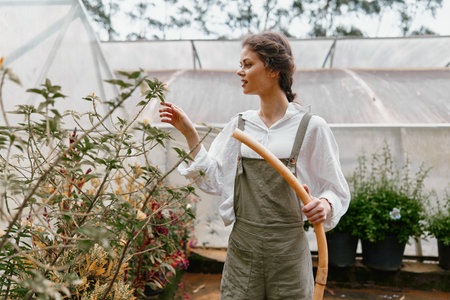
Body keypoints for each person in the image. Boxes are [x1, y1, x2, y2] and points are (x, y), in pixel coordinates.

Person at [159, 32, 350, 300]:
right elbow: (215, 180)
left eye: (248, 64)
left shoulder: (310, 127)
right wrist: (190, 134)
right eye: (241, 65)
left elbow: (336, 189)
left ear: (273, 69)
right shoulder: (241, 125)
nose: (240, 71)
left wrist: (325, 205)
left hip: (288, 256)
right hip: (243, 252)